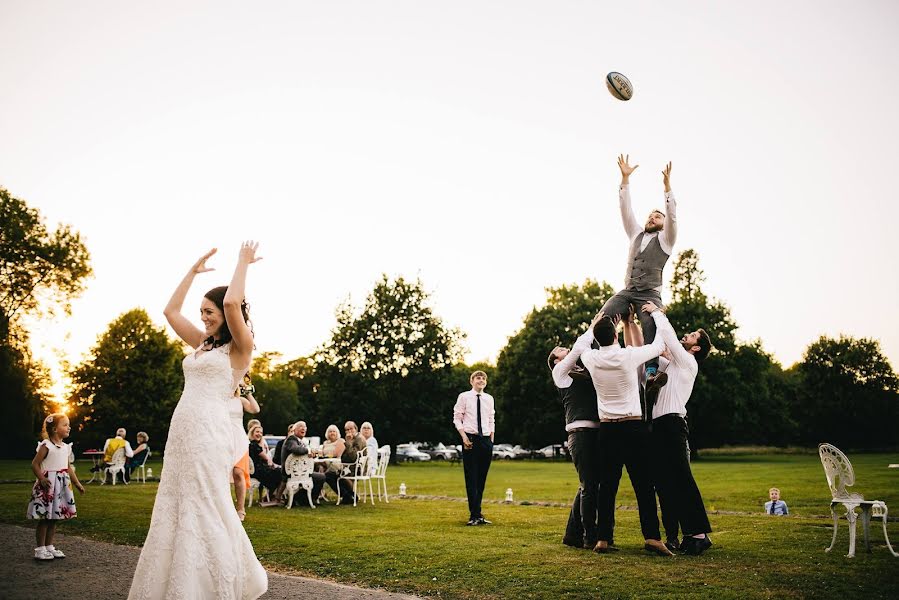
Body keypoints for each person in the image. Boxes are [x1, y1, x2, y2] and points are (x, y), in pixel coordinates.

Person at [128, 243, 267, 600]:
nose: (203, 317)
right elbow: (170, 311)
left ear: (224, 312)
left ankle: (216, 583)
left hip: (210, 433)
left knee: (206, 500)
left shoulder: (240, 349)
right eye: (201, 312)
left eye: (209, 312)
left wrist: (241, 263)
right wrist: (192, 272)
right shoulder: (202, 344)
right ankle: (178, 581)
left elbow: (234, 302)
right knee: (176, 501)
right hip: (183, 431)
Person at [580, 310, 671, 556]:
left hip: (607, 428)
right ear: (616, 334)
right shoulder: (628, 356)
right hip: (633, 427)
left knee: (607, 486)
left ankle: (602, 539)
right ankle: (652, 537)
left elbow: (583, 345)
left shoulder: (590, 358)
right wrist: (655, 316)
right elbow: (660, 344)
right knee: (643, 484)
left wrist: (593, 326)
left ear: (598, 339)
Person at [641, 301, 713, 555]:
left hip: (673, 425)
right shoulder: (672, 365)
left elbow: (669, 338)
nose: (688, 334)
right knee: (664, 484)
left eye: (692, 335)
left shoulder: (688, 363)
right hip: (660, 426)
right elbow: (653, 351)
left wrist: (658, 313)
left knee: (682, 480)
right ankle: (678, 536)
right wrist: (645, 324)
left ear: (695, 348)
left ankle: (700, 534)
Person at [599, 154, 677, 385]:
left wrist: (667, 188)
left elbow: (672, 216)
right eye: (651, 215)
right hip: (628, 290)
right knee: (604, 316)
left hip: (650, 293)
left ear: (663, 225)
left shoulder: (666, 240)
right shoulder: (636, 233)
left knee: (652, 324)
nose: (652, 218)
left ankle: (652, 371)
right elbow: (626, 209)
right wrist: (624, 180)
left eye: (657, 216)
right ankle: (593, 359)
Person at [549, 311, 606, 550]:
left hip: (597, 431)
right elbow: (580, 347)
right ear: (555, 361)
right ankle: (589, 537)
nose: (567, 349)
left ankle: (572, 535)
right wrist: (593, 326)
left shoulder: (585, 371)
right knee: (590, 485)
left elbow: (589, 350)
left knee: (590, 484)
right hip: (580, 433)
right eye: (562, 350)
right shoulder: (560, 374)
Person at [27, 413, 85, 560]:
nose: (69, 427)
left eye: (68, 425)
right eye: (65, 425)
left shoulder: (66, 447)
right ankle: (40, 549)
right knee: (45, 517)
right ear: (54, 429)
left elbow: (68, 467)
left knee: (55, 518)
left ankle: (49, 546)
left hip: (61, 485)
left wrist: (77, 483)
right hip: (49, 485)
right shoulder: (46, 446)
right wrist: (41, 479)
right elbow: (35, 464)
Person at [453, 370, 496, 526]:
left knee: (482, 478)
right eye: (478, 378)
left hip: (485, 441)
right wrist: (464, 437)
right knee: (472, 478)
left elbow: (491, 418)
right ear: (471, 381)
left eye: (483, 378)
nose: (481, 380)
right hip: (470, 440)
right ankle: (474, 515)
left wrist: (491, 439)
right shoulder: (464, 397)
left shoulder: (489, 399)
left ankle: (478, 513)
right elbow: (457, 418)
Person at [229, 374, 260, 521]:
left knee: (238, 473)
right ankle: (224, 508)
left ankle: (240, 509)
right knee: (220, 476)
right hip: (222, 438)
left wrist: (247, 391)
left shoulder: (240, 400)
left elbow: (255, 409)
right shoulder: (217, 401)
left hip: (238, 440)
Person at [281, 421, 325, 507]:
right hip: (291, 473)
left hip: (297, 471)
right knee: (321, 477)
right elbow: (296, 450)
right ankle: (307, 499)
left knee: (317, 473)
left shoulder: (299, 441)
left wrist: (310, 454)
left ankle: (303, 499)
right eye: (301, 426)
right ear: (294, 430)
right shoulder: (291, 439)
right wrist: (309, 451)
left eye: (305, 427)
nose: (303, 428)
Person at [324, 421, 367, 504]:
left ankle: (347, 496)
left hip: (355, 468)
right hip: (348, 466)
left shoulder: (359, 439)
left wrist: (348, 442)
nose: (349, 431)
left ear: (356, 428)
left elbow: (353, 457)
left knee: (329, 475)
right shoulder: (354, 438)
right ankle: (349, 495)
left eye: (351, 429)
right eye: (347, 430)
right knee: (329, 473)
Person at [248, 423, 282, 502]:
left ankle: (270, 496)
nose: (259, 434)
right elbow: (267, 458)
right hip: (258, 470)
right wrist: (262, 441)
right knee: (280, 473)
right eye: (257, 432)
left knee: (279, 472)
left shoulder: (253, 444)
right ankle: (272, 497)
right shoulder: (255, 445)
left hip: (258, 469)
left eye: (261, 433)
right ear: (252, 433)